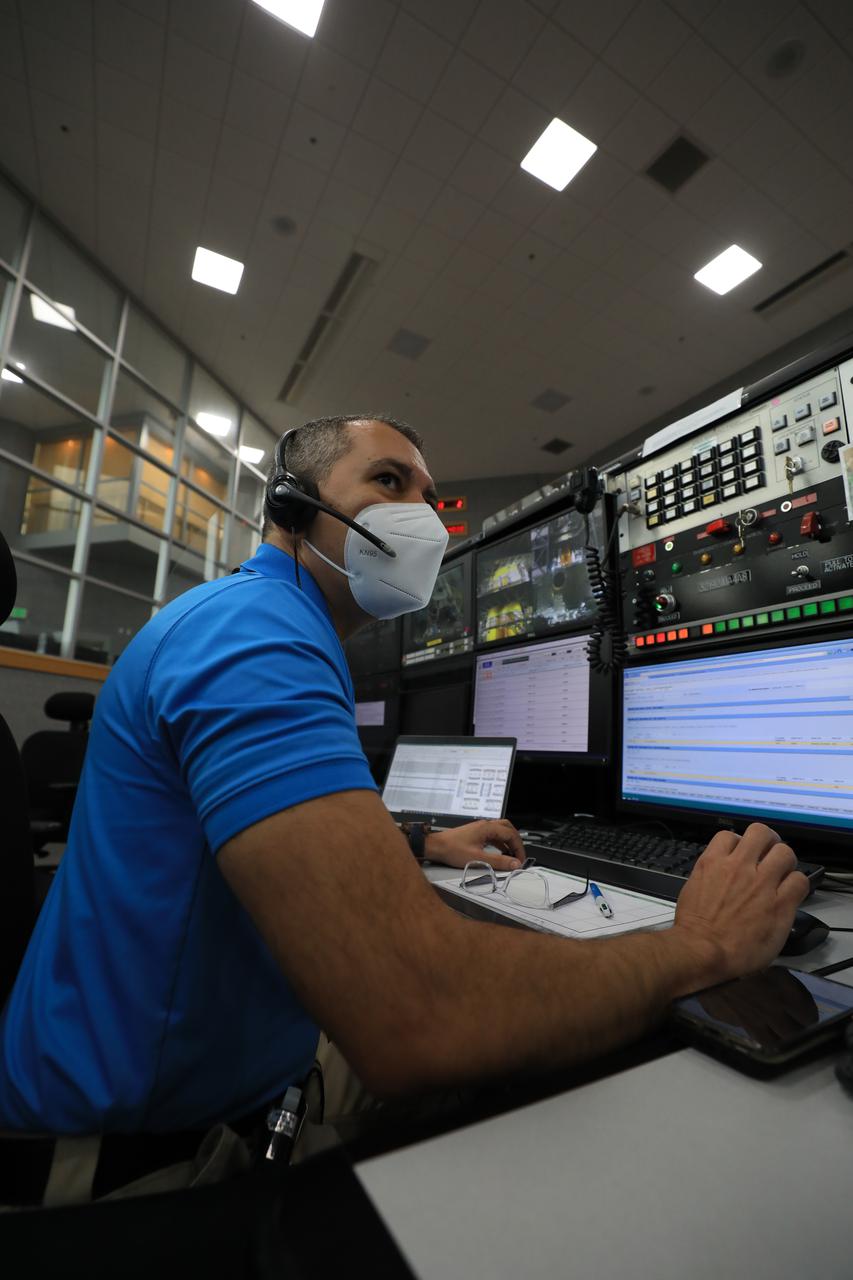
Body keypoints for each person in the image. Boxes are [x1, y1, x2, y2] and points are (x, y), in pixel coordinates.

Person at [0, 414, 808, 1198]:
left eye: (427, 496)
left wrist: (420, 842)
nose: (420, 515)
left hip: (194, 1079)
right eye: (388, 482)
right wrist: (700, 945)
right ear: (292, 505)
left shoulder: (248, 620)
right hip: (134, 1158)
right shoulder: (255, 637)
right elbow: (422, 1017)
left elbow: (249, 829)